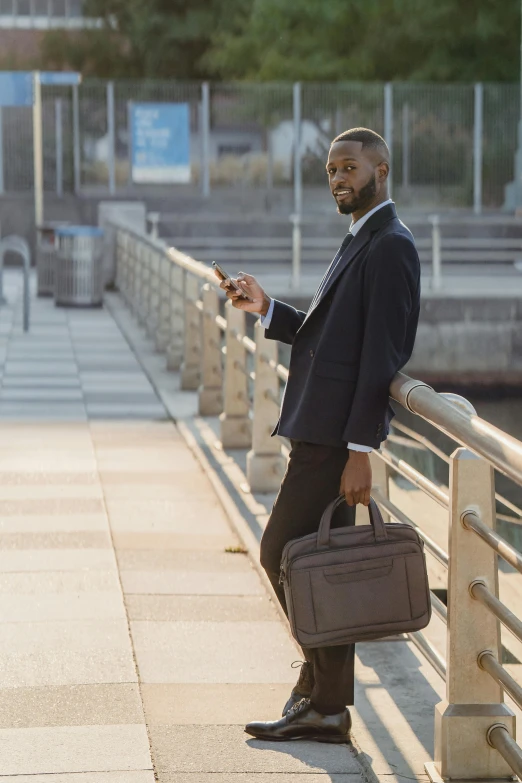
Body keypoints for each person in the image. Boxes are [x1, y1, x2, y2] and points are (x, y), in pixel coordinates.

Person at [216, 127, 420, 744]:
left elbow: (382, 354)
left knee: (283, 554)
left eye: (350, 168)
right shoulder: (361, 238)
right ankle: (321, 697)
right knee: (313, 567)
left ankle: (324, 699)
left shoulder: (391, 246)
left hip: (336, 442)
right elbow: (331, 338)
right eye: (331, 169)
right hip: (320, 432)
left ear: (380, 171)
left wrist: (361, 450)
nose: (338, 178)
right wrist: (267, 309)